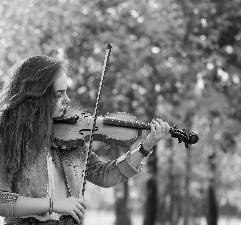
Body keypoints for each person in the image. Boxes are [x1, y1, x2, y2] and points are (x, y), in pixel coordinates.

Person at [0, 55, 170, 225]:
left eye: (66, 92)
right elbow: (2, 200)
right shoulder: (9, 137)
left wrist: (146, 146)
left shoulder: (71, 136)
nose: (67, 100)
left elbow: (105, 175)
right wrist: (54, 204)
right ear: (38, 97)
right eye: (59, 94)